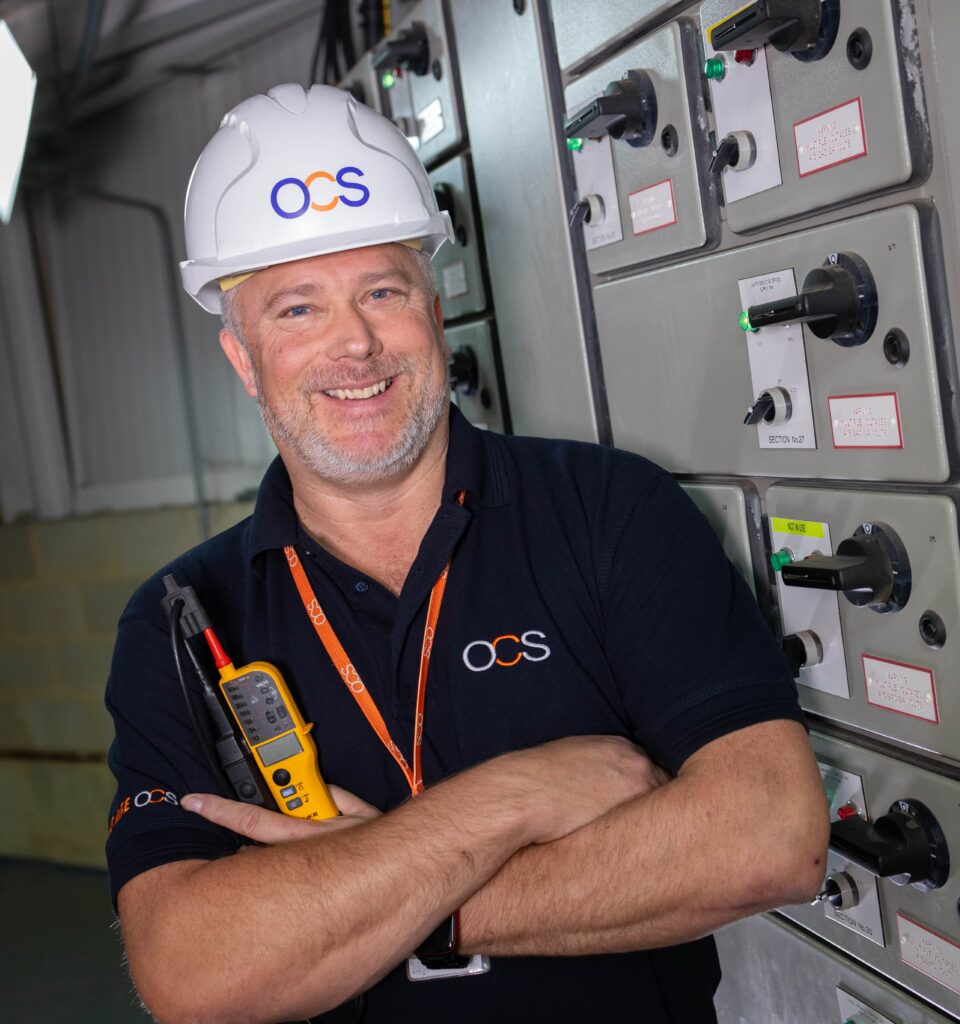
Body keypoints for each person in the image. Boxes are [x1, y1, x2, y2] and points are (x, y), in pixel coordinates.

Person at [105, 83, 829, 1024]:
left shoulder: (611, 510)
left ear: (435, 310)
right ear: (243, 360)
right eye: (296, 311)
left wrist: (399, 902)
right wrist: (510, 801)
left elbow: (770, 835)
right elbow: (192, 971)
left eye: (382, 291)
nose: (355, 344)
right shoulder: (184, 617)